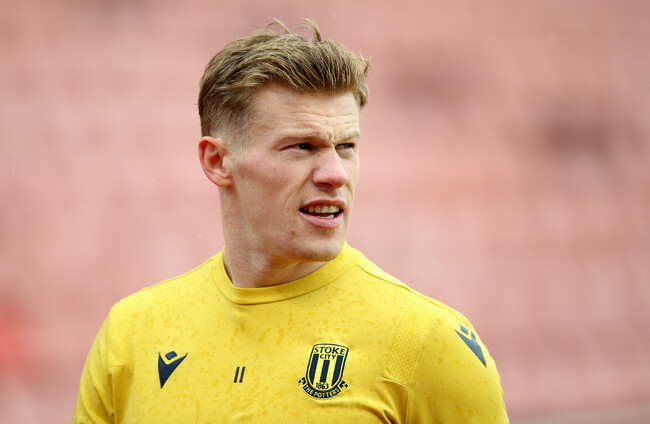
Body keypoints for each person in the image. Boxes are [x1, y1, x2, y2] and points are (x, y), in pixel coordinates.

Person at [72, 19, 508, 423]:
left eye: (347, 146)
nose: (335, 174)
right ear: (217, 161)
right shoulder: (131, 335)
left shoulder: (428, 342)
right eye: (302, 147)